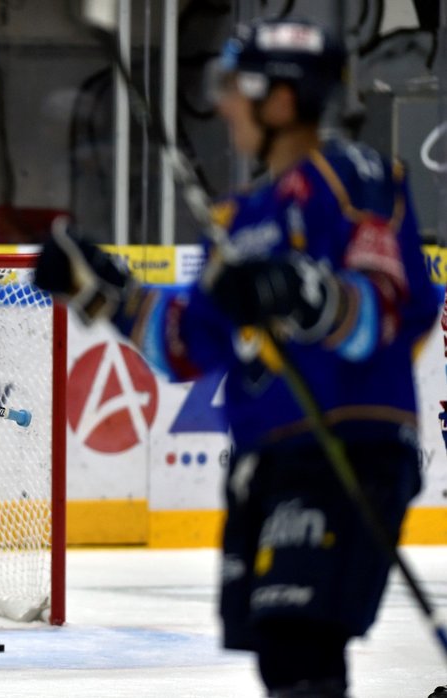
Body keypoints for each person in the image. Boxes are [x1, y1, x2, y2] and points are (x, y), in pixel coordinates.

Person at [34, 18, 439, 698]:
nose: (221, 103)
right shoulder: (241, 219)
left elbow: (393, 309)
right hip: (270, 462)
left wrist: (302, 291)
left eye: (235, 88)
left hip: (347, 447)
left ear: (280, 100)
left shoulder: (353, 178)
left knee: (303, 644)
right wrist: (98, 290)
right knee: (286, 660)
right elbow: (187, 344)